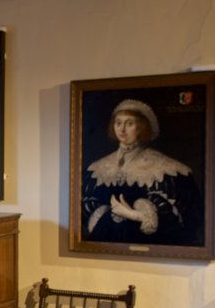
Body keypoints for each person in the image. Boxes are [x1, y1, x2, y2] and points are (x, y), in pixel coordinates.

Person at [82, 99, 200, 245]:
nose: (122, 129)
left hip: (146, 246)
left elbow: (180, 222)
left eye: (129, 123)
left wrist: (134, 215)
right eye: (118, 123)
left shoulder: (166, 168)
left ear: (141, 128)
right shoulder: (97, 168)